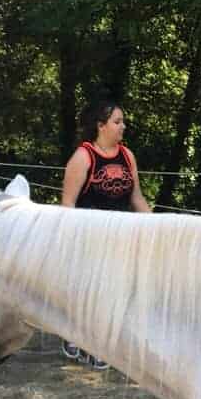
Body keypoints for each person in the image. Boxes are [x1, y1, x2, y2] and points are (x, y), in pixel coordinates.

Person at [59, 101, 151, 366]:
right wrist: (71, 241)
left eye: (122, 121)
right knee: (90, 290)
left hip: (121, 234)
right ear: (101, 126)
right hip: (89, 235)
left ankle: (100, 344)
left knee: (115, 290)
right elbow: (68, 204)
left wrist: (159, 227)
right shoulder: (83, 156)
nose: (123, 126)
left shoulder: (127, 156)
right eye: (117, 121)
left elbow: (137, 198)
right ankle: (76, 335)